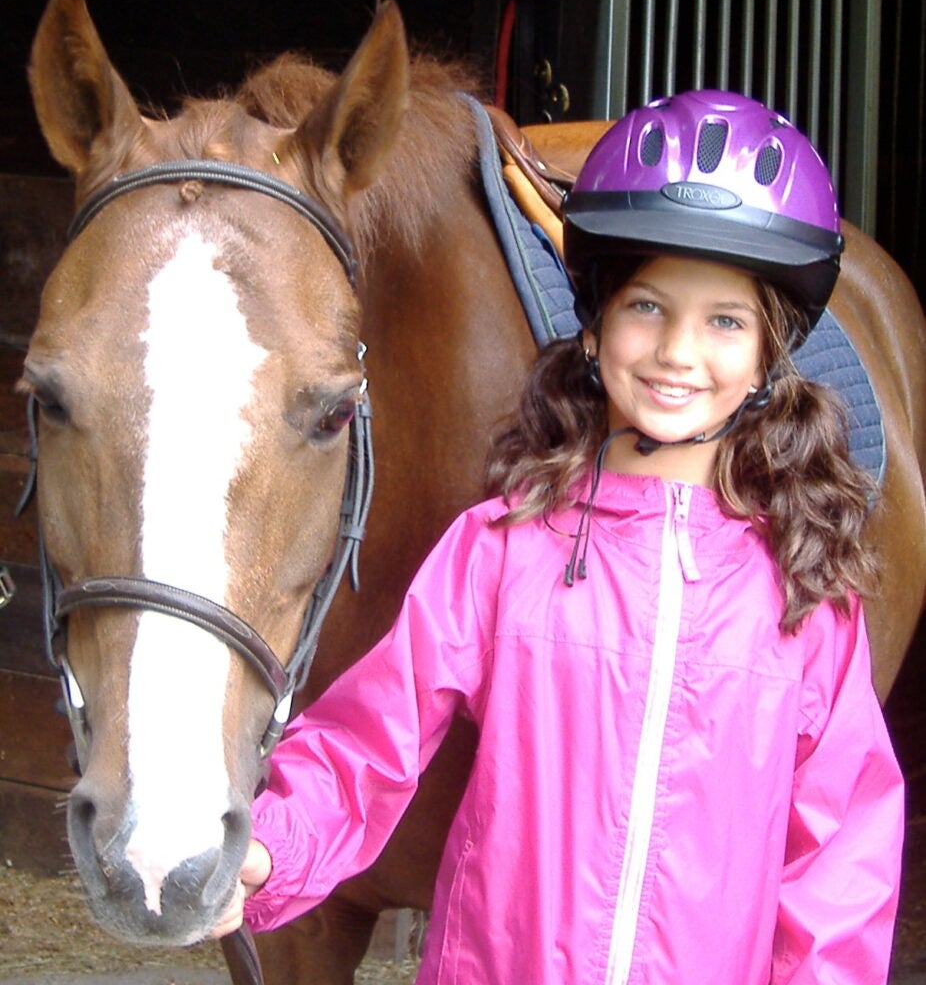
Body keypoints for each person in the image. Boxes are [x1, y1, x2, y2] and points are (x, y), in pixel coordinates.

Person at [211, 90, 904, 984]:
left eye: (724, 320)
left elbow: (839, 860)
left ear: (772, 354)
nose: (678, 352)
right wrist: (270, 845)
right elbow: (364, 738)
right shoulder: (502, 549)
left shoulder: (802, 597)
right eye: (648, 306)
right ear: (596, 319)